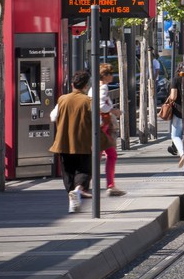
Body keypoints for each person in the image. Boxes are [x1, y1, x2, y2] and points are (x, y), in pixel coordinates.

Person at [49, 71, 98, 213]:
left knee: (68, 172)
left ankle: (72, 200)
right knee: (84, 170)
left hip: (63, 143)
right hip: (83, 143)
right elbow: (98, 121)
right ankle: (77, 190)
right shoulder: (89, 101)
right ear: (86, 86)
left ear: (72, 84)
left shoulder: (62, 99)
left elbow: (53, 117)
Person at [98, 64, 126, 196]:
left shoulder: (95, 88)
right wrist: (113, 110)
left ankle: (109, 184)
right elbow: (101, 105)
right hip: (103, 127)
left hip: (100, 126)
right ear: (105, 76)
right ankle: (82, 186)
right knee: (110, 155)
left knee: (103, 155)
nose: (112, 76)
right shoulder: (103, 87)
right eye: (110, 73)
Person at [166, 61, 184, 168]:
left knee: (175, 135)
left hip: (178, 111)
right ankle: (180, 151)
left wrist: (169, 98)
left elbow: (173, 96)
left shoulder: (175, 79)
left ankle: (183, 154)